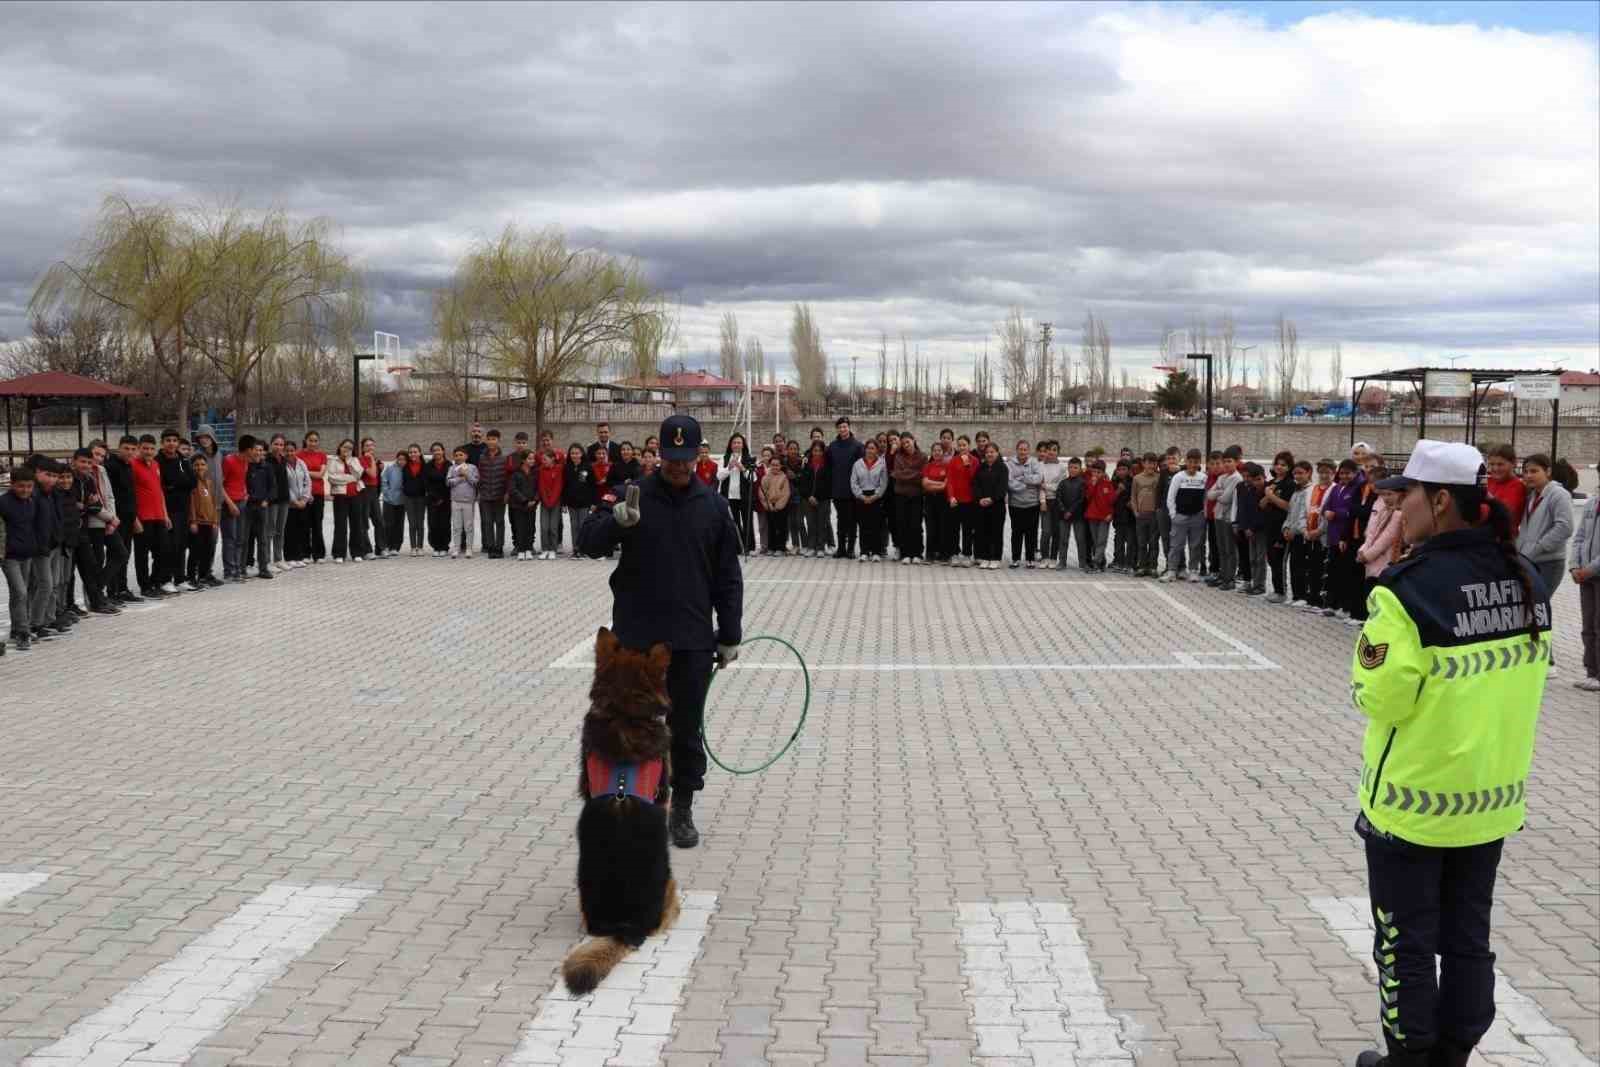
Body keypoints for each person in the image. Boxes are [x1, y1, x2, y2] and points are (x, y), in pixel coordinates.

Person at [1349, 440, 1552, 1067]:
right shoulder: (1524, 579)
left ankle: (1410, 1057)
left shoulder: (1406, 590)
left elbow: (1380, 699)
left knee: (1403, 942)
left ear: (1439, 502)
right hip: (1489, 800)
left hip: (1412, 803)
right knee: (1468, 939)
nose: (1396, 506)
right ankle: (1454, 1052)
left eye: (1405, 495)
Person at [578, 414, 742, 850]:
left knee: (686, 727)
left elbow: (728, 577)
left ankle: (682, 804)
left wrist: (729, 634)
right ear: (659, 456)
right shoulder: (633, 495)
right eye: (672, 460)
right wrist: (616, 522)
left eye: (687, 460)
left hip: (690, 639)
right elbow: (588, 541)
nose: (680, 468)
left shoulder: (713, 507)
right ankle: (635, 800)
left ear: (699, 457)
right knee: (630, 724)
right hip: (637, 638)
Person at [1515, 454, 1574, 622]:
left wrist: (1538, 547)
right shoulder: (1533, 495)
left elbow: (1565, 527)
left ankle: (1543, 646)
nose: (1528, 475)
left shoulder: (1559, 494)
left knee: (1536, 611)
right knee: (1526, 612)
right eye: (1525, 471)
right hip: (1529, 560)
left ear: (1548, 471)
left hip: (1549, 563)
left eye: (1534, 471)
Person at [0, 466, 45, 650]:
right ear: (12, 485)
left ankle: (17, 629)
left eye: (29, 486)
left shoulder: (32, 502)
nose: (25, 490)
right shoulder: (3, 503)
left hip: (27, 554)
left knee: (20, 594)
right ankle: (22, 632)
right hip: (9, 556)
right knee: (20, 592)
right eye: (21, 486)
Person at [131, 435, 176, 598]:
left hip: (159, 516)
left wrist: (165, 514)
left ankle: (155, 582)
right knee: (142, 554)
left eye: (151, 448)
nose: (148, 452)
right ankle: (145, 586)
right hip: (143, 517)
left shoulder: (156, 464)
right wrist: (134, 518)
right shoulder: (133, 465)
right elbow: (130, 494)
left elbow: (159, 491)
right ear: (139, 448)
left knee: (163, 551)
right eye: (145, 448)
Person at [87, 442, 131, 602]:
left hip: (109, 521)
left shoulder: (102, 470)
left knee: (121, 553)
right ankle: (96, 597)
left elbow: (110, 496)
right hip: (93, 523)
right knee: (97, 561)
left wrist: (112, 519)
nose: (98, 458)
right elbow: (91, 504)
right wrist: (110, 518)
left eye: (101, 456)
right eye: (95, 454)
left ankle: (97, 588)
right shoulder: (85, 472)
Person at [101, 437, 140, 603]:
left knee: (125, 554)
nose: (129, 452)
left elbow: (130, 494)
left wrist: (135, 518)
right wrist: (111, 518)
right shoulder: (111, 466)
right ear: (119, 448)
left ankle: (122, 589)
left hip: (129, 517)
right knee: (116, 554)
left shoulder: (129, 466)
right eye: (126, 448)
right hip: (116, 518)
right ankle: (111, 590)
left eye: (132, 449)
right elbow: (109, 496)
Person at [155, 428, 195, 589]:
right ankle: (164, 579)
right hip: (167, 510)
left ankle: (180, 578)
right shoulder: (158, 461)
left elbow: (193, 482)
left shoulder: (183, 460)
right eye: (168, 440)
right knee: (167, 546)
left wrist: (175, 484)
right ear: (162, 442)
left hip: (183, 508)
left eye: (174, 440)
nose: (171, 443)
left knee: (181, 545)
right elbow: (163, 485)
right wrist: (178, 483)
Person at [1321, 459, 1361, 619]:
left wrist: (1336, 513)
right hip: (1333, 535)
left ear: (1355, 473)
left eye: (1348, 473)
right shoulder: (1336, 488)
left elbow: (1352, 511)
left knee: (1346, 573)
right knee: (1333, 572)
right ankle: (1331, 604)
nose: (1344, 476)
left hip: (1346, 536)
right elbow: (1326, 506)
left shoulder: (1357, 488)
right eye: (1342, 473)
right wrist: (1326, 512)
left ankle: (1346, 606)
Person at [1572, 478, 1600, 692]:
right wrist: (1574, 566)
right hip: (1585, 575)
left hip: (1594, 572)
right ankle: (1591, 671)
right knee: (1588, 626)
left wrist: (1590, 568)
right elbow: (1579, 536)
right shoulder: (1592, 503)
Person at [1163, 449, 1207, 582]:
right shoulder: (1178, 477)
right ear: (1186, 461)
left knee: (1195, 546)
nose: (1193, 464)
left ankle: (1193, 570)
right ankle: (1172, 571)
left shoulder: (1203, 478)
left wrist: (1203, 513)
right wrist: (1173, 515)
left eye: (1196, 462)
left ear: (1199, 463)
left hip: (1197, 517)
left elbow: (1206, 498)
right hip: (1180, 517)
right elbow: (1170, 497)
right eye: (1190, 461)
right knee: (1176, 545)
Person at [827, 418, 865, 560]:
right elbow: (829, 468)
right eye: (840, 427)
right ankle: (841, 548)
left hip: (853, 491)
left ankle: (850, 549)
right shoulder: (832, 446)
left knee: (852, 521)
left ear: (849, 428)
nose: (842, 429)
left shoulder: (858, 446)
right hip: (837, 490)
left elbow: (861, 469)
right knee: (840, 520)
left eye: (845, 427)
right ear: (837, 429)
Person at [1260, 451, 1296, 602]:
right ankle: (1276, 589)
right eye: (1277, 464)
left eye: (1283, 465)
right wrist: (1267, 496)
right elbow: (1261, 504)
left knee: (1278, 559)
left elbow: (1287, 506)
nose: (1279, 467)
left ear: (1289, 467)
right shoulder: (1271, 483)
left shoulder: (1290, 484)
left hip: (1282, 526)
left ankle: (1282, 592)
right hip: (1269, 525)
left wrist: (1271, 496)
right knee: (1271, 558)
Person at [1207, 451, 1242, 591]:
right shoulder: (1221, 477)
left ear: (1236, 462)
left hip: (1228, 518)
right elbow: (1209, 495)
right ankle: (1223, 575)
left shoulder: (1236, 478)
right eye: (1225, 461)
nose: (1227, 464)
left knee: (1230, 549)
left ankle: (1230, 578)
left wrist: (1219, 493)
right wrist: (1219, 492)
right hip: (1218, 516)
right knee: (1221, 548)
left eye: (1230, 461)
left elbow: (1226, 499)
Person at [1004, 439, 1042, 569]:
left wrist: (1022, 479)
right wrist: (1026, 485)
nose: (1023, 452)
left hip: (1032, 504)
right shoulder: (1010, 463)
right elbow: (1009, 482)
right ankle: (1015, 559)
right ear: (1017, 450)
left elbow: (1038, 478)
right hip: (1015, 504)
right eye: (1020, 449)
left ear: (1028, 451)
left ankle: (1030, 559)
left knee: (1031, 532)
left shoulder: (1035, 463)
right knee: (1016, 532)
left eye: (1025, 449)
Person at [186, 452, 221, 590]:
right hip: (198, 523)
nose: (199, 467)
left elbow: (213, 503)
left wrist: (214, 520)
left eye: (202, 464)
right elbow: (192, 504)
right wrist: (193, 521)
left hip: (209, 522)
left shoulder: (209, 482)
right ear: (192, 467)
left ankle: (203, 576)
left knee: (208, 551)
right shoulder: (192, 483)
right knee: (196, 551)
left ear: (206, 466)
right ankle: (191, 577)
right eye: (196, 465)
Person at [326, 438, 365, 563]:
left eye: (349, 448)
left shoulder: (354, 460)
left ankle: (357, 552)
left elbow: (358, 475)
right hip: (340, 495)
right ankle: (339, 553)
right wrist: (349, 478)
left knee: (356, 524)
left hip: (355, 495)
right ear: (339, 447)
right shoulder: (333, 460)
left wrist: (349, 462)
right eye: (344, 447)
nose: (346, 450)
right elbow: (332, 478)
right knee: (340, 525)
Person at [241, 437, 275, 581]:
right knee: (244, 539)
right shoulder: (246, 466)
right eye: (256, 449)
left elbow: (273, 487)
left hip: (262, 506)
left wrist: (267, 500)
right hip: (247, 506)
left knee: (263, 539)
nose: (259, 452)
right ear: (251, 450)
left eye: (261, 450)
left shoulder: (267, 467)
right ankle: (241, 568)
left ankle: (263, 568)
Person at [890, 433, 926, 564]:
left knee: (915, 525)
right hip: (901, 495)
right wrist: (913, 474)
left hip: (916, 495)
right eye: (903, 443)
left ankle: (917, 553)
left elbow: (922, 475)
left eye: (908, 442)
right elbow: (896, 474)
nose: (906, 445)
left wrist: (905, 474)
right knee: (903, 524)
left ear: (914, 440)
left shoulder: (922, 456)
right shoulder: (898, 456)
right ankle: (905, 554)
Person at [718, 434, 756, 556]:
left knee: (747, 521)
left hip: (744, 496)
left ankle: (749, 547)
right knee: (733, 523)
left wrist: (742, 468)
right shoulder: (724, 458)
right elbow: (719, 476)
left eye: (739, 442)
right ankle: (736, 547)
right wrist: (729, 467)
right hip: (729, 496)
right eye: (734, 442)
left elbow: (753, 478)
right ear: (730, 445)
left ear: (743, 444)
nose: (736, 445)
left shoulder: (749, 458)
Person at [851, 439, 889, 562]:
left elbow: (883, 483)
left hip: (876, 497)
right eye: (868, 448)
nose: (870, 450)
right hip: (861, 497)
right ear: (865, 449)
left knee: (876, 525)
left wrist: (875, 495)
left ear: (877, 450)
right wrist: (861, 496)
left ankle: (876, 552)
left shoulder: (882, 464)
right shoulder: (857, 464)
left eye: (873, 448)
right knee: (863, 525)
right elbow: (853, 482)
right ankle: (864, 551)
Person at [973, 442, 1008, 570]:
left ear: (997, 453)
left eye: (992, 452)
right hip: (982, 506)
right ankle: (985, 557)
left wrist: (992, 498)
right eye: (987, 452)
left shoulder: (1002, 468)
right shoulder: (980, 467)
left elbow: (1002, 487)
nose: (989, 454)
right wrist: (980, 498)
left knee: (996, 533)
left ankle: (996, 558)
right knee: (984, 532)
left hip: (997, 506)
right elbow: (975, 484)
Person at [476, 429, 509, 558]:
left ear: (498, 440)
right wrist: (479, 492)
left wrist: (507, 493)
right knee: (487, 522)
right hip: (485, 495)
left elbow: (507, 477)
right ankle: (490, 547)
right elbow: (480, 475)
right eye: (489, 439)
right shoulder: (482, 457)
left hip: (500, 495)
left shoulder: (504, 457)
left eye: (494, 439)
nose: (491, 442)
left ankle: (499, 547)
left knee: (500, 522)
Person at [796, 440, 830, 558]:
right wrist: (809, 496)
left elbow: (828, 484)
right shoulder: (806, 464)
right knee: (811, 523)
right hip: (808, 499)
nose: (817, 453)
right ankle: (811, 547)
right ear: (812, 451)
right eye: (815, 450)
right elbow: (802, 483)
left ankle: (820, 547)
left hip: (823, 499)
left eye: (820, 451)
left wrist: (818, 497)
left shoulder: (827, 464)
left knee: (822, 524)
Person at [1483, 443, 1526, 536]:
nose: (1495, 468)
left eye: (1500, 464)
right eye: (1491, 464)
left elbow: (1505, 514)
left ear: (1514, 463)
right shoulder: (1488, 481)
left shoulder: (1517, 486)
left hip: (1503, 540)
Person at [1082, 459, 1117, 572]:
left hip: (1104, 517)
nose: (1096, 474)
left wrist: (1111, 514)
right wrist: (1092, 485)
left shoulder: (1108, 484)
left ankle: (1096, 563)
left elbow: (1112, 501)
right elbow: (1088, 497)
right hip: (1092, 516)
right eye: (1094, 472)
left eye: (1099, 472)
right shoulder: (1090, 484)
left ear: (1103, 472)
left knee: (1101, 540)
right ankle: (1102, 562)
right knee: (1096, 540)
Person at [300, 430, 329, 563]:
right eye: (310, 440)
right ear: (306, 440)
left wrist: (305, 472)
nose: (313, 443)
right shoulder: (298, 455)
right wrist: (311, 473)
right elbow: (298, 473)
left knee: (317, 524)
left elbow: (320, 475)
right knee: (304, 524)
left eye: (315, 440)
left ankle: (319, 554)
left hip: (318, 493)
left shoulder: (322, 455)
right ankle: (305, 554)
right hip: (304, 494)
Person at [1130, 453, 1160, 578]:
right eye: (1148, 462)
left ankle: (1153, 567)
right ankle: (1142, 566)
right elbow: (1133, 496)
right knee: (1141, 543)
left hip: (1154, 515)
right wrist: (1136, 512)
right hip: (1141, 515)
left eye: (1153, 463)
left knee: (1153, 543)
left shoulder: (1159, 477)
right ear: (1143, 463)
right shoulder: (1137, 478)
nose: (1150, 465)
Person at [283, 439, 312, 568]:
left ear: (296, 451)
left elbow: (307, 481)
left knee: (301, 530)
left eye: (292, 450)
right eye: (287, 451)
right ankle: (290, 557)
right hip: (290, 504)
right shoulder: (282, 465)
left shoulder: (301, 463)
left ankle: (299, 556)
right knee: (290, 531)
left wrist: (304, 499)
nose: (290, 453)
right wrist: (294, 501)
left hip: (302, 503)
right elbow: (284, 485)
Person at [446, 445, 479, 559]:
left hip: (469, 501)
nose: (458, 457)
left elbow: (475, 482)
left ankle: (469, 548)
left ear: (466, 456)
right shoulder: (452, 468)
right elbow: (448, 482)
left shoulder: (472, 467)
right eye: (456, 455)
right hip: (455, 501)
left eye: (461, 455)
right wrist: (460, 478)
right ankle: (456, 547)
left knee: (468, 526)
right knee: (456, 526)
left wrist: (466, 475)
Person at [921, 443, 950, 565]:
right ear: (932, 452)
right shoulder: (928, 466)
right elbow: (924, 484)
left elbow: (946, 485)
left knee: (943, 527)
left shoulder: (947, 466)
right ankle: (929, 555)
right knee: (930, 527)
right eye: (935, 450)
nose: (937, 452)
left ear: (943, 452)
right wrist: (939, 484)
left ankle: (943, 555)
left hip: (943, 500)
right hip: (929, 500)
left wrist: (932, 484)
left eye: (939, 450)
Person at [266, 435, 291, 572]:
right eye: (276, 444)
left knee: (280, 531)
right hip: (272, 501)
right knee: (270, 531)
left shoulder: (283, 460)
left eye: (281, 445)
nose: (279, 447)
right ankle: (266, 561)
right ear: (271, 445)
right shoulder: (267, 460)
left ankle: (278, 559)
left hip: (284, 500)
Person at [422, 442, 452, 558]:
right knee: (433, 523)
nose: (436, 452)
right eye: (434, 450)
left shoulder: (449, 465)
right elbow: (426, 483)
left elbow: (450, 482)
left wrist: (443, 498)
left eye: (438, 450)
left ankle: (444, 547)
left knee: (445, 523)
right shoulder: (428, 466)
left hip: (446, 499)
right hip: (432, 499)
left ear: (443, 451)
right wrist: (435, 497)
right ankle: (435, 547)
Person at [508, 449, 539, 560]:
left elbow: (538, 489)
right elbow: (513, 489)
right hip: (518, 506)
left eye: (533, 459)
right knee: (520, 528)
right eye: (529, 458)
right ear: (523, 460)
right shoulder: (516, 473)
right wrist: (525, 500)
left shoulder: (535, 472)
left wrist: (535, 500)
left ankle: (528, 549)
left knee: (530, 528)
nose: (532, 461)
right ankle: (521, 550)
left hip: (532, 506)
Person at [536, 440, 565, 560]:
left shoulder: (559, 469)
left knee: (553, 527)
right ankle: (545, 549)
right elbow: (541, 486)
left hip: (555, 502)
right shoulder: (541, 470)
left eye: (545, 459)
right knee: (544, 527)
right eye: (542, 459)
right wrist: (545, 500)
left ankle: (553, 549)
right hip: (544, 503)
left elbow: (558, 486)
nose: (543, 461)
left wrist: (552, 501)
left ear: (553, 459)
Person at [562, 443, 592, 558]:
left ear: (582, 454)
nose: (575, 455)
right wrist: (564, 503)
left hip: (584, 503)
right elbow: (564, 486)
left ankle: (583, 548)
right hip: (571, 503)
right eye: (572, 453)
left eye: (577, 453)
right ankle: (575, 548)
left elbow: (592, 485)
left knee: (582, 525)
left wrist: (593, 502)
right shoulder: (567, 468)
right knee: (574, 525)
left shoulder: (587, 467)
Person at [758, 453, 791, 555]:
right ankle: (772, 547)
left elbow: (786, 493)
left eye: (777, 465)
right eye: (773, 465)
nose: (775, 467)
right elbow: (762, 492)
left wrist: (778, 506)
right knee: (771, 527)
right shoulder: (766, 477)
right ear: (770, 465)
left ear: (781, 466)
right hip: (769, 506)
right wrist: (768, 505)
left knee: (781, 528)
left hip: (781, 507)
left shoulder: (784, 478)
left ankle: (780, 548)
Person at [1036, 442, 1062, 569]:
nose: (1051, 452)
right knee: (1046, 531)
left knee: (1056, 531)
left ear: (1058, 452)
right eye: (1049, 450)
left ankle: (1053, 558)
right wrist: (1042, 502)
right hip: (1045, 502)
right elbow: (1039, 486)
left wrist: (1047, 486)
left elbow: (1059, 487)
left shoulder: (1062, 467)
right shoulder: (1040, 466)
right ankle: (1044, 557)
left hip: (1057, 502)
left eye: (1054, 449)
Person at [358, 438, 383, 560]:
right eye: (367, 445)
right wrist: (372, 459)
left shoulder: (375, 460)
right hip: (364, 491)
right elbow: (372, 474)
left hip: (374, 492)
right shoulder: (361, 460)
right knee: (364, 522)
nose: (370, 447)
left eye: (372, 445)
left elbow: (377, 478)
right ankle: (366, 550)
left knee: (379, 520)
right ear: (362, 448)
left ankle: (381, 548)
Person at [400, 444, 427, 556]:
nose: (413, 454)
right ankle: (413, 547)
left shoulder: (425, 466)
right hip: (408, 498)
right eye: (410, 452)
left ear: (420, 453)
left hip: (421, 498)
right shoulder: (405, 466)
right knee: (412, 523)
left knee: (420, 523)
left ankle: (420, 547)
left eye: (415, 452)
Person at [381, 448, 408, 554]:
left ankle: (395, 547)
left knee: (399, 524)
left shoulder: (407, 469)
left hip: (402, 501)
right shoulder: (390, 468)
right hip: (389, 501)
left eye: (404, 459)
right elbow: (384, 481)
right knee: (388, 524)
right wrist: (387, 493)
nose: (401, 461)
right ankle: (387, 545)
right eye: (399, 459)